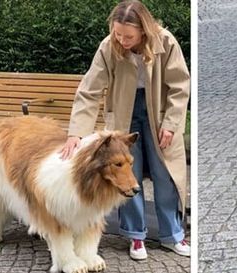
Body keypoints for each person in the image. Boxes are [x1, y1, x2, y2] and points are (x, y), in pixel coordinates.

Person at [60, 0, 190, 259]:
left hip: (160, 116)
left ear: (144, 29)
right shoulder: (109, 46)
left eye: (128, 35)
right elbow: (89, 91)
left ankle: (173, 235)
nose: (122, 39)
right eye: (118, 33)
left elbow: (180, 86)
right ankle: (135, 237)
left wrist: (172, 124)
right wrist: (76, 133)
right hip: (122, 117)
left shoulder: (165, 42)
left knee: (166, 175)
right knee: (124, 177)